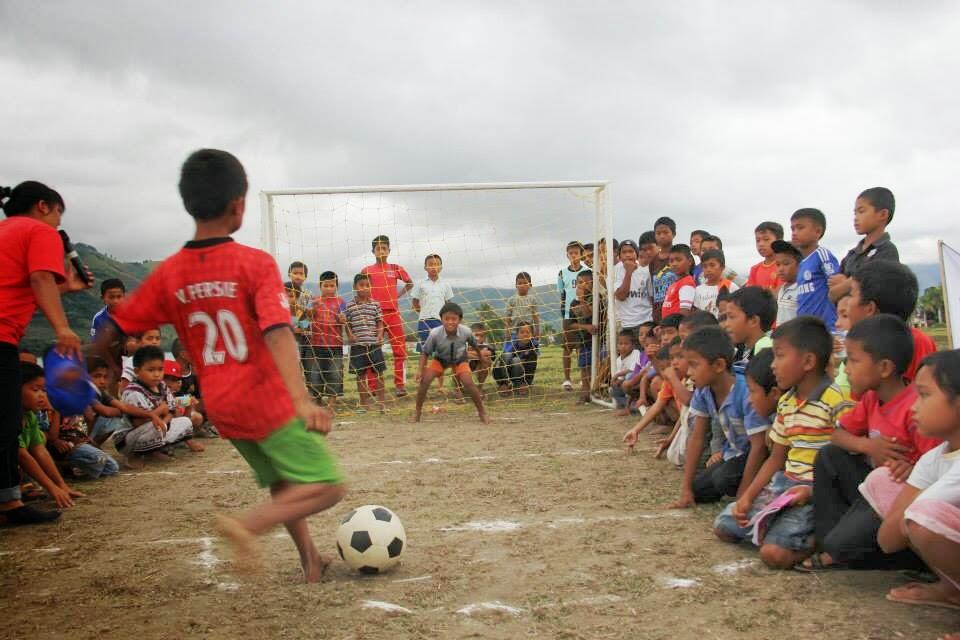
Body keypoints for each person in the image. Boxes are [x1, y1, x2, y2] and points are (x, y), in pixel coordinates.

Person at [99, 149, 345, 581]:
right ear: (239, 205)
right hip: (265, 400)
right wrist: (301, 400)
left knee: (285, 483)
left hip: (222, 408)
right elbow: (278, 331)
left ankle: (311, 560)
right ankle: (246, 526)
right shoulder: (255, 264)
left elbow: (116, 327)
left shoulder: (170, 272)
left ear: (189, 202)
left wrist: (75, 359)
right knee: (327, 486)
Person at [798, 315, 939, 572]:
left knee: (883, 480)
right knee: (830, 455)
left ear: (884, 368)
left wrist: (912, 469)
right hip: (872, 491)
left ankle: (853, 550)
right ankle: (831, 542)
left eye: (853, 360)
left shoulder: (915, 410)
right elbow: (837, 435)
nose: (846, 368)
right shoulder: (872, 399)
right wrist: (868, 447)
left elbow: (935, 466)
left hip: (903, 500)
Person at [714, 317, 853, 569]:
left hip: (816, 492)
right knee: (725, 524)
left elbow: (847, 465)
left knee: (774, 555)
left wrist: (812, 491)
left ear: (808, 361)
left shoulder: (836, 401)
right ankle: (779, 525)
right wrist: (748, 497)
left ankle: (815, 540)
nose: (773, 366)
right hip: (784, 487)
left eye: (779, 356)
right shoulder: (788, 402)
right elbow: (777, 458)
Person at [0, 180, 90, 526]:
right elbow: (39, 278)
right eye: (57, 214)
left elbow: (23, 290)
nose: (58, 223)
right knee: (5, 424)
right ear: (43, 206)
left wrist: (66, 286)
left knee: (7, 423)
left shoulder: (7, 232)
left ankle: (9, 501)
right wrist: (63, 328)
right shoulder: (39, 232)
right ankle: (8, 502)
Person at [859, 351, 960, 612]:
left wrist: (911, 514)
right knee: (883, 479)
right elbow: (888, 540)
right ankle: (953, 589)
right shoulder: (933, 459)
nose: (913, 406)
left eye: (925, 395)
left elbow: (914, 517)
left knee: (924, 515)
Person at [669, 326, 771, 507]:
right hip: (733, 455)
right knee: (698, 489)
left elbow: (759, 446)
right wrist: (686, 489)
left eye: (694, 365)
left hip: (757, 456)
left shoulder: (746, 392)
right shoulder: (704, 390)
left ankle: (755, 489)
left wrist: (743, 496)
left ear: (718, 365)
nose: (689, 372)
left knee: (723, 478)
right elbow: (697, 437)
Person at [845, 259, 935, 383]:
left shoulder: (918, 342)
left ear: (870, 308)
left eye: (851, 295)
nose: (846, 304)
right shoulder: (859, 342)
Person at [17, 362, 84, 513]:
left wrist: (61, 485)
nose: (42, 395)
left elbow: (40, 451)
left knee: (41, 438)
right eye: (35, 390)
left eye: (43, 390)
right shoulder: (9, 417)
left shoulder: (29, 415)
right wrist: (51, 488)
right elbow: (22, 455)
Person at [411, 302, 490, 424]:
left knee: (468, 382)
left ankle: (482, 412)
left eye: (454, 319)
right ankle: (417, 412)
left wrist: (481, 358)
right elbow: (425, 352)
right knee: (425, 381)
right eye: (446, 319)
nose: (450, 322)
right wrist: (420, 370)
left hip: (460, 359)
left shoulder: (466, 331)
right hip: (441, 360)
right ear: (441, 319)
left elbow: (475, 345)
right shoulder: (435, 333)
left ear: (460, 320)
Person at [120, 346, 201, 454]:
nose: (157, 374)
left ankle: (156, 451)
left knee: (185, 422)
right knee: (155, 428)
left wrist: (164, 422)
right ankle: (135, 456)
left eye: (160, 369)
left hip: (154, 427)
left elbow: (171, 411)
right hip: (130, 437)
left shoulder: (162, 385)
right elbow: (139, 422)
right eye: (151, 370)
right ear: (137, 371)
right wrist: (161, 410)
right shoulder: (134, 392)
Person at [361, 235, 413, 396]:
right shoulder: (366, 270)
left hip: (393, 314)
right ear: (373, 251)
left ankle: (400, 385)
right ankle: (372, 387)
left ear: (389, 250)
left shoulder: (396, 268)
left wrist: (398, 295)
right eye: (378, 248)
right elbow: (360, 288)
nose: (381, 251)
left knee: (400, 350)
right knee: (372, 349)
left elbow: (410, 283)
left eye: (384, 248)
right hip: (374, 315)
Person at [829, 187, 900, 303]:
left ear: (883, 214)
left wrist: (846, 283)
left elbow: (874, 289)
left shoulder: (887, 250)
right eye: (855, 213)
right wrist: (854, 281)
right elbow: (832, 294)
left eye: (861, 211)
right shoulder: (851, 255)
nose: (856, 218)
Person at [622, 341, 684, 446]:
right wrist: (636, 430)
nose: (665, 372)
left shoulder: (689, 382)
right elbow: (657, 405)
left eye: (667, 368)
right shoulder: (668, 382)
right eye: (662, 369)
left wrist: (671, 438)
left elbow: (686, 413)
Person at [790, 208, 841, 331]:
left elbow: (837, 287)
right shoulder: (801, 263)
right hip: (805, 328)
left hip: (826, 328)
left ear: (818, 231)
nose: (794, 232)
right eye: (792, 229)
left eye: (800, 228)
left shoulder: (822, 255)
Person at [344, 273, 386, 413]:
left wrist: (380, 335)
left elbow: (380, 322)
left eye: (367, 285)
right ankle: (363, 405)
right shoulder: (349, 305)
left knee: (379, 373)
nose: (365, 288)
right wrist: (350, 335)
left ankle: (382, 404)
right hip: (358, 346)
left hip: (374, 344)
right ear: (355, 287)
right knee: (360, 375)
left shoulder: (375, 305)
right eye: (361, 285)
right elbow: (347, 323)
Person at [310, 271, 345, 411]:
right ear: (320, 286)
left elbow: (343, 318)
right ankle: (316, 403)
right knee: (316, 374)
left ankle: (331, 405)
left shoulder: (341, 302)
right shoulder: (314, 301)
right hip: (317, 344)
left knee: (335, 374)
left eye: (332, 286)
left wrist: (342, 319)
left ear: (337, 286)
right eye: (326, 285)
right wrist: (309, 313)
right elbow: (307, 319)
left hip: (335, 345)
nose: (329, 288)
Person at [558, 241, 589, 392]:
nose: (573, 255)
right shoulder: (562, 273)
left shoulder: (587, 271)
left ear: (581, 254)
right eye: (571, 253)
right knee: (567, 347)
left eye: (576, 253)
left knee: (581, 347)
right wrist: (564, 313)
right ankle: (567, 379)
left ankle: (584, 380)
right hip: (568, 314)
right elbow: (562, 295)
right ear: (567, 255)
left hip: (583, 312)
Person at [724, 286, 777, 367]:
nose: (726, 324)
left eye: (731, 317)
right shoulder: (741, 348)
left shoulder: (766, 353)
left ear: (753, 321)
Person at [411, 254, 454, 351]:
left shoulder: (446, 285)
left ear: (441, 268)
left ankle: (438, 366)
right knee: (424, 350)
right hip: (424, 321)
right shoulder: (420, 284)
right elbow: (415, 302)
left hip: (440, 321)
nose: (434, 267)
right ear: (425, 267)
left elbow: (448, 304)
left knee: (441, 349)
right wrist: (423, 312)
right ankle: (423, 366)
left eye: (437, 264)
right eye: (430, 264)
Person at [569, 270, 599, 403]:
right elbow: (571, 324)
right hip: (582, 340)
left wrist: (582, 300)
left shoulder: (595, 298)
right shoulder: (573, 303)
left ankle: (596, 390)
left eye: (587, 282)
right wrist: (585, 327)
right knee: (584, 367)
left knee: (595, 366)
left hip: (596, 340)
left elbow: (588, 315)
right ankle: (585, 392)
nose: (583, 285)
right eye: (580, 282)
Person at [613, 239, 653, 331]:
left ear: (637, 254)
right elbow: (621, 296)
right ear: (619, 256)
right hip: (626, 324)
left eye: (631, 251)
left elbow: (651, 298)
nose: (628, 255)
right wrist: (629, 272)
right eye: (624, 252)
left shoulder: (645, 271)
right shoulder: (615, 271)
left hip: (645, 322)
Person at [493, 321, 539, 396]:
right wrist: (502, 383)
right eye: (522, 332)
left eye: (528, 332)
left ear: (532, 334)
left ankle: (520, 384)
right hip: (508, 373)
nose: (525, 334)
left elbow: (531, 368)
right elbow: (499, 363)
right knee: (505, 357)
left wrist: (527, 383)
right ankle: (504, 384)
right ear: (517, 335)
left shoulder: (534, 346)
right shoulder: (511, 345)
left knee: (516, 360)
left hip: (523, 376)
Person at [693, 249, 739, 318]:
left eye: (712, 265)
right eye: (705, 266)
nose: (708, 269)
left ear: (722, 267)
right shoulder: (698, 289)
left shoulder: (731, 286)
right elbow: (698, 311)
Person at [650, 217, 678, 321]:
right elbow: (653, 289)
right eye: (658, 233)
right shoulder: (653, 261)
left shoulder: (682, 256)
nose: (662, 236)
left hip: (677, 312)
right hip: (659, 315)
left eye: (665, 232)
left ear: (674, 234)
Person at [660, 244, 697, 320]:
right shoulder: (675, 283)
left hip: (676, 328)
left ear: (689, 261)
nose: (674, 264)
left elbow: (685, 312)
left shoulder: (687, 284)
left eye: (679, 260)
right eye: (671, 261)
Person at [610, 328, 641, 413]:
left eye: (626, 344)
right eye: (620, 344)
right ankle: (631, 405)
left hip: (636, 383)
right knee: (612, 391)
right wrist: (616, 381)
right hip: (625, 384)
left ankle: (634, 403)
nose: (623, 346)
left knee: (628, 376)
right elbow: (620, 376)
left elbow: (633, 370)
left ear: (633, 345)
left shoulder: (636, 353)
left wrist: (617, 376)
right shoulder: (618, 360)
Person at [746, 222, 784, 290]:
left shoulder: (784, 267)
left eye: (766, 239)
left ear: (779, 241)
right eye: (757, 240)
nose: (761, 244)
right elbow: (750, 295)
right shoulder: (755, 269)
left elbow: (781, 294)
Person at [771, 240, 801, 326]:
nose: (780, 269)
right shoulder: (782, 289)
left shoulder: (802, 290)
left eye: (786, 264)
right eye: (778, 264)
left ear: (800, 264)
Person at [505, 272, 541, 341]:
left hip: (529, 332)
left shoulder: (533, 300)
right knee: (510, 350)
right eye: (520, 283)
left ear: (530, 285)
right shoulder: (511, 300)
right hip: (514, 333)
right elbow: (507, 318)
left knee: (533, 350)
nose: (522, 285)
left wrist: (537, 331)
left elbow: (535, 317)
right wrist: (507, 332)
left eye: (525, 283)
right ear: (516, 285)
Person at [467, 322, 496, 391]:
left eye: (482, 336)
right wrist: (480, 354)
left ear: (485, 337)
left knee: (487, 361)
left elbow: (489, 354)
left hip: (477, 367)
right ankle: (458, 388)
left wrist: (470, 354)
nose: (478, 338)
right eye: (476, 335)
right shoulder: (464, 343)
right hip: (464, 367)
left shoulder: (487, 346)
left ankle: (479, 388)